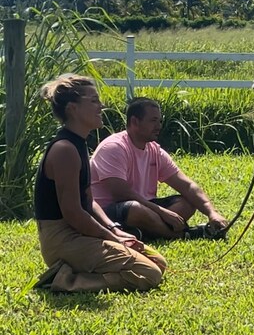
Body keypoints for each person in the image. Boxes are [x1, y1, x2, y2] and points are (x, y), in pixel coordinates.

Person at [34, 75, 166, 293]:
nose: (101, 106)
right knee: (149, 273)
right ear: (73, 108)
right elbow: (73, 213)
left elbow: (89, 201)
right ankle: (66, 281)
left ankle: (72, 272)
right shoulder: (65, 150)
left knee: (158, 262)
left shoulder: (78, 144)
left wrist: (114, 229)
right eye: (94, 101)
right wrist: (111, 238)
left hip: (79, 233)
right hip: (63, 239)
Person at [90, 97, 228, 241]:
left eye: (160, 121)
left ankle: (141, 232)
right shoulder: (114, 147)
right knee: (136, 209)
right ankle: (185, 235)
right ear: (135, 122)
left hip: (145, 206)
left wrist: (212, 213)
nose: (159, 126)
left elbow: (187, 186)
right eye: (153, 121)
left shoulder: (154, 151)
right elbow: (120, 193)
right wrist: (162, 212)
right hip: (107, 211)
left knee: (187, 203)